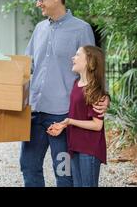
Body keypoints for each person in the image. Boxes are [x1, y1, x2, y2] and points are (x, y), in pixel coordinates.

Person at [20, 0, 110, 187]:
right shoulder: (39, 29)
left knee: (64, 171)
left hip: (62, 114)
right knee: (28, 166)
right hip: (34, 112)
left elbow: (94, 68)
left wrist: (103, 98)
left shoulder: (81, 29)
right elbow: (26, 67)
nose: (38, 3)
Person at [47, 46, 108, 187]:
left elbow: (97, 125)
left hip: (89, 147)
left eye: (77, 55)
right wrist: (63, 125)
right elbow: (76, 112)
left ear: (90, 62)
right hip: (75, 145)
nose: (73, 58)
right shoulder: (76, 84)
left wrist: (69, 121)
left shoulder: (95, 90)